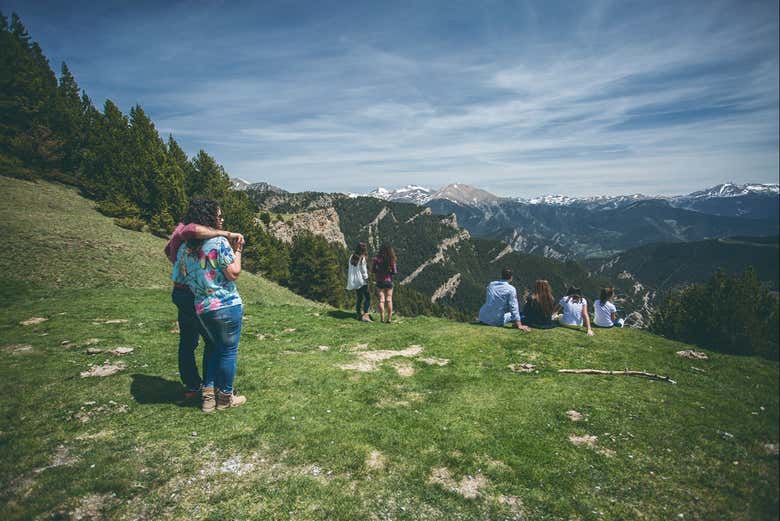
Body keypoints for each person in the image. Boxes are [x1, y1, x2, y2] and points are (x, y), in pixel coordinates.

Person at [164, 203, 244, 401]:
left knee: (189, 342)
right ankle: (222, 392)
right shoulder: (192, 232)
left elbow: (170, 252)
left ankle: (198, 389)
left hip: (184, 292)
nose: (222, 219)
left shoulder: (185, 245)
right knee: (217, 345)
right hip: (203, 297)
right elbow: (233, 273)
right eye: (218, 215)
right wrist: (232, 243)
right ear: (206, 217)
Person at [372, 243, 397, 323]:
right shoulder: (391, 259)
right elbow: (395, 272)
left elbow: (373, 270)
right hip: (389, 281)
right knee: (389, 299)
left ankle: (382, 318)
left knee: (381, 300)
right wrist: (389, 272)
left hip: (379, 281)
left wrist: (378, 272)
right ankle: (389, 319)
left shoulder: (376, 259)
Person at [347, 242, 372, 322]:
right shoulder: (362, 258)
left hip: (354, 281)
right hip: (362, 281)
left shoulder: (351, 257)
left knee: (359, 298)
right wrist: (367, 279)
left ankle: (358, 314)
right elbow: (364, 271)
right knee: (368, 297)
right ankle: (365, 314)